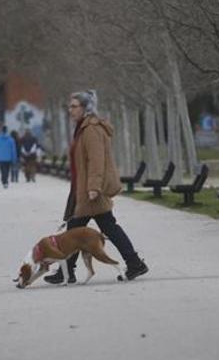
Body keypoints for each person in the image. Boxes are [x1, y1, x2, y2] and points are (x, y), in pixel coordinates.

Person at [45, 90, 148, 284]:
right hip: (83, 189)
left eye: (74, 106)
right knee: (93, 228)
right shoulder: (83, 127)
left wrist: (93, 187)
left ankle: (66, 272)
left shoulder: (91, 129)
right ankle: (133, 263)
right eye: (70, 106)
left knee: (77, 230)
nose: (70, 110)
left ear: (86, 108)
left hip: (91, 191)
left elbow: (96, 160)